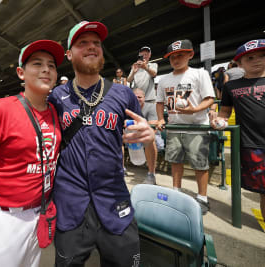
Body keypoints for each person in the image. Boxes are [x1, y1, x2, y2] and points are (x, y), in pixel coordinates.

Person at [48, 21, 154, 266]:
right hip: (70, 203)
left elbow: (139, 142)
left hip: (114, 199)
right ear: (69, 54)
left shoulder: (123, 94)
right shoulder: (56, 97)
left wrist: (148, 138)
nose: (91, 47)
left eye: (96, 43)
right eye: (82, 43)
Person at [0, 39, 64, 267]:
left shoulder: (56, 113)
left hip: (39, 214)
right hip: (3, 219)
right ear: (21, 73)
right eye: (37, 63)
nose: (46, 69)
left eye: (52, 65)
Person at [156, 39, 215, 215]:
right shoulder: (164, 79)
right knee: (175, 161)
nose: (176, 59)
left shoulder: (199, 73)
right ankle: (176, 191)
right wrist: (160, 119)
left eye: (180, 55)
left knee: (200, 164)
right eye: (172, 56)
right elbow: (160, 102)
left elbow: (210, 98)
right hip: (174, 126)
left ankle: (202, 197)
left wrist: (195, 110)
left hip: (196, 126)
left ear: (190, 54)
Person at [211, 39, 265, 221]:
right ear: (239, 63)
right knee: (263, 192)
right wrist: (218, 119)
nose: (257, 60)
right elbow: (225, 111)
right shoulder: (231, 86)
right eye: (250, 58)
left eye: (262, 56)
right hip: (253, 146)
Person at [133, 88, 161, 184]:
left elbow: (152, 126)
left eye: (139, 97)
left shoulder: (151, 107)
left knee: (149, 139)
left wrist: (134, 125)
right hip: (134, 135)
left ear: (144, 98)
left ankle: (151, 174)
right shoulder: (128, 108)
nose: (137, 99)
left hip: (154, 136)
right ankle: (119, 169)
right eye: (134, 97)